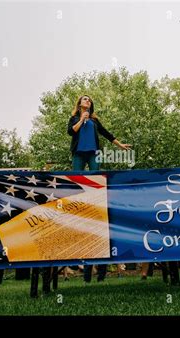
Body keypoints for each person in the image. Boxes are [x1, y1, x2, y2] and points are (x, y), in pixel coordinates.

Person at [67, 95, 131, 283]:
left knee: (96, 178)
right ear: (79, 103)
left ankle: (96, 201)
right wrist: (81, 119)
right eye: (84, 99)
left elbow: (106, 133)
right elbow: (71, 132)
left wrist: (120, 145)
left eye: (89, 100)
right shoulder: (74, 118)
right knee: (77, 180)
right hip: (78, 153)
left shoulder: (94, 120)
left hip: (93, 153)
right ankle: (78, 203)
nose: (87, 101)